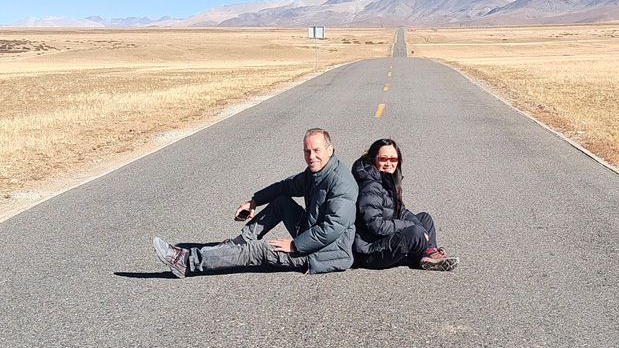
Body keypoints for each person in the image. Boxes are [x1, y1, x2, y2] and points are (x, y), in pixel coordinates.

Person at [153, 128, 358, 278]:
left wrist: (295, 245)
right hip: (311, 233)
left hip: (326, 252)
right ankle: (239, 243)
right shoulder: (316, 173)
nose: (311, 156)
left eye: (317, 150)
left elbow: (332, 228)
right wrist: (254, 201)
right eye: (307, 151)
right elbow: (285, 187)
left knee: (258, 251)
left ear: (330, 150)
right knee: (281, 201)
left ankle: (186, 262)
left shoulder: (341, 182)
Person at [351, 139, 458, 271]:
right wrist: (412, 226)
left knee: (425, 218)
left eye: (393, 159)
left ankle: (429, 253)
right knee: (415, 232)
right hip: (371, 251)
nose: (389, 163)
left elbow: (401, 211)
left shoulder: (385, 179)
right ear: (374, 159)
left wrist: (417, 224)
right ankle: (427, 256)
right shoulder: (371, 185)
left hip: (383, 240)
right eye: (383, 159)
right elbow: (376, 225)